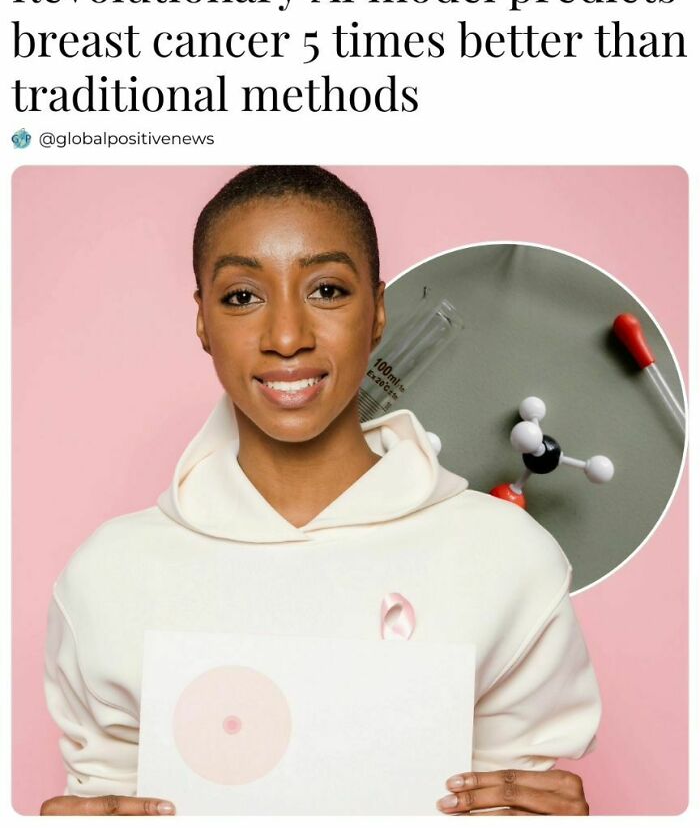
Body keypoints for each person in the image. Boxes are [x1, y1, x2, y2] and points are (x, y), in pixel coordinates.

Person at [41, 166, 600, 816]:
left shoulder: (508, 559)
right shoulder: (108, 576)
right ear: (201, 320)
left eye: (327, 289)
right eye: (243, 296)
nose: (286, 337)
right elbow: (103, 788)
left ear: (379, 310)